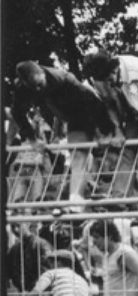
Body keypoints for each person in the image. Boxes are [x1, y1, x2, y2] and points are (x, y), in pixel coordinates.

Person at [11, 61, 121, 211]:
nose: (38, 90)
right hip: (75, 119)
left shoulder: (65, 79)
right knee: (77, 155)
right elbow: (17, 113)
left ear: (43, 74)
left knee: (111, 152)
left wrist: (105, 132)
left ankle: (117, 196)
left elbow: (93, 102)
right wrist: (32, 139)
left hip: (95, 113)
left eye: (40, 85)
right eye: (33, 87)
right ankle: (76, 201)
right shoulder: (22, 89)